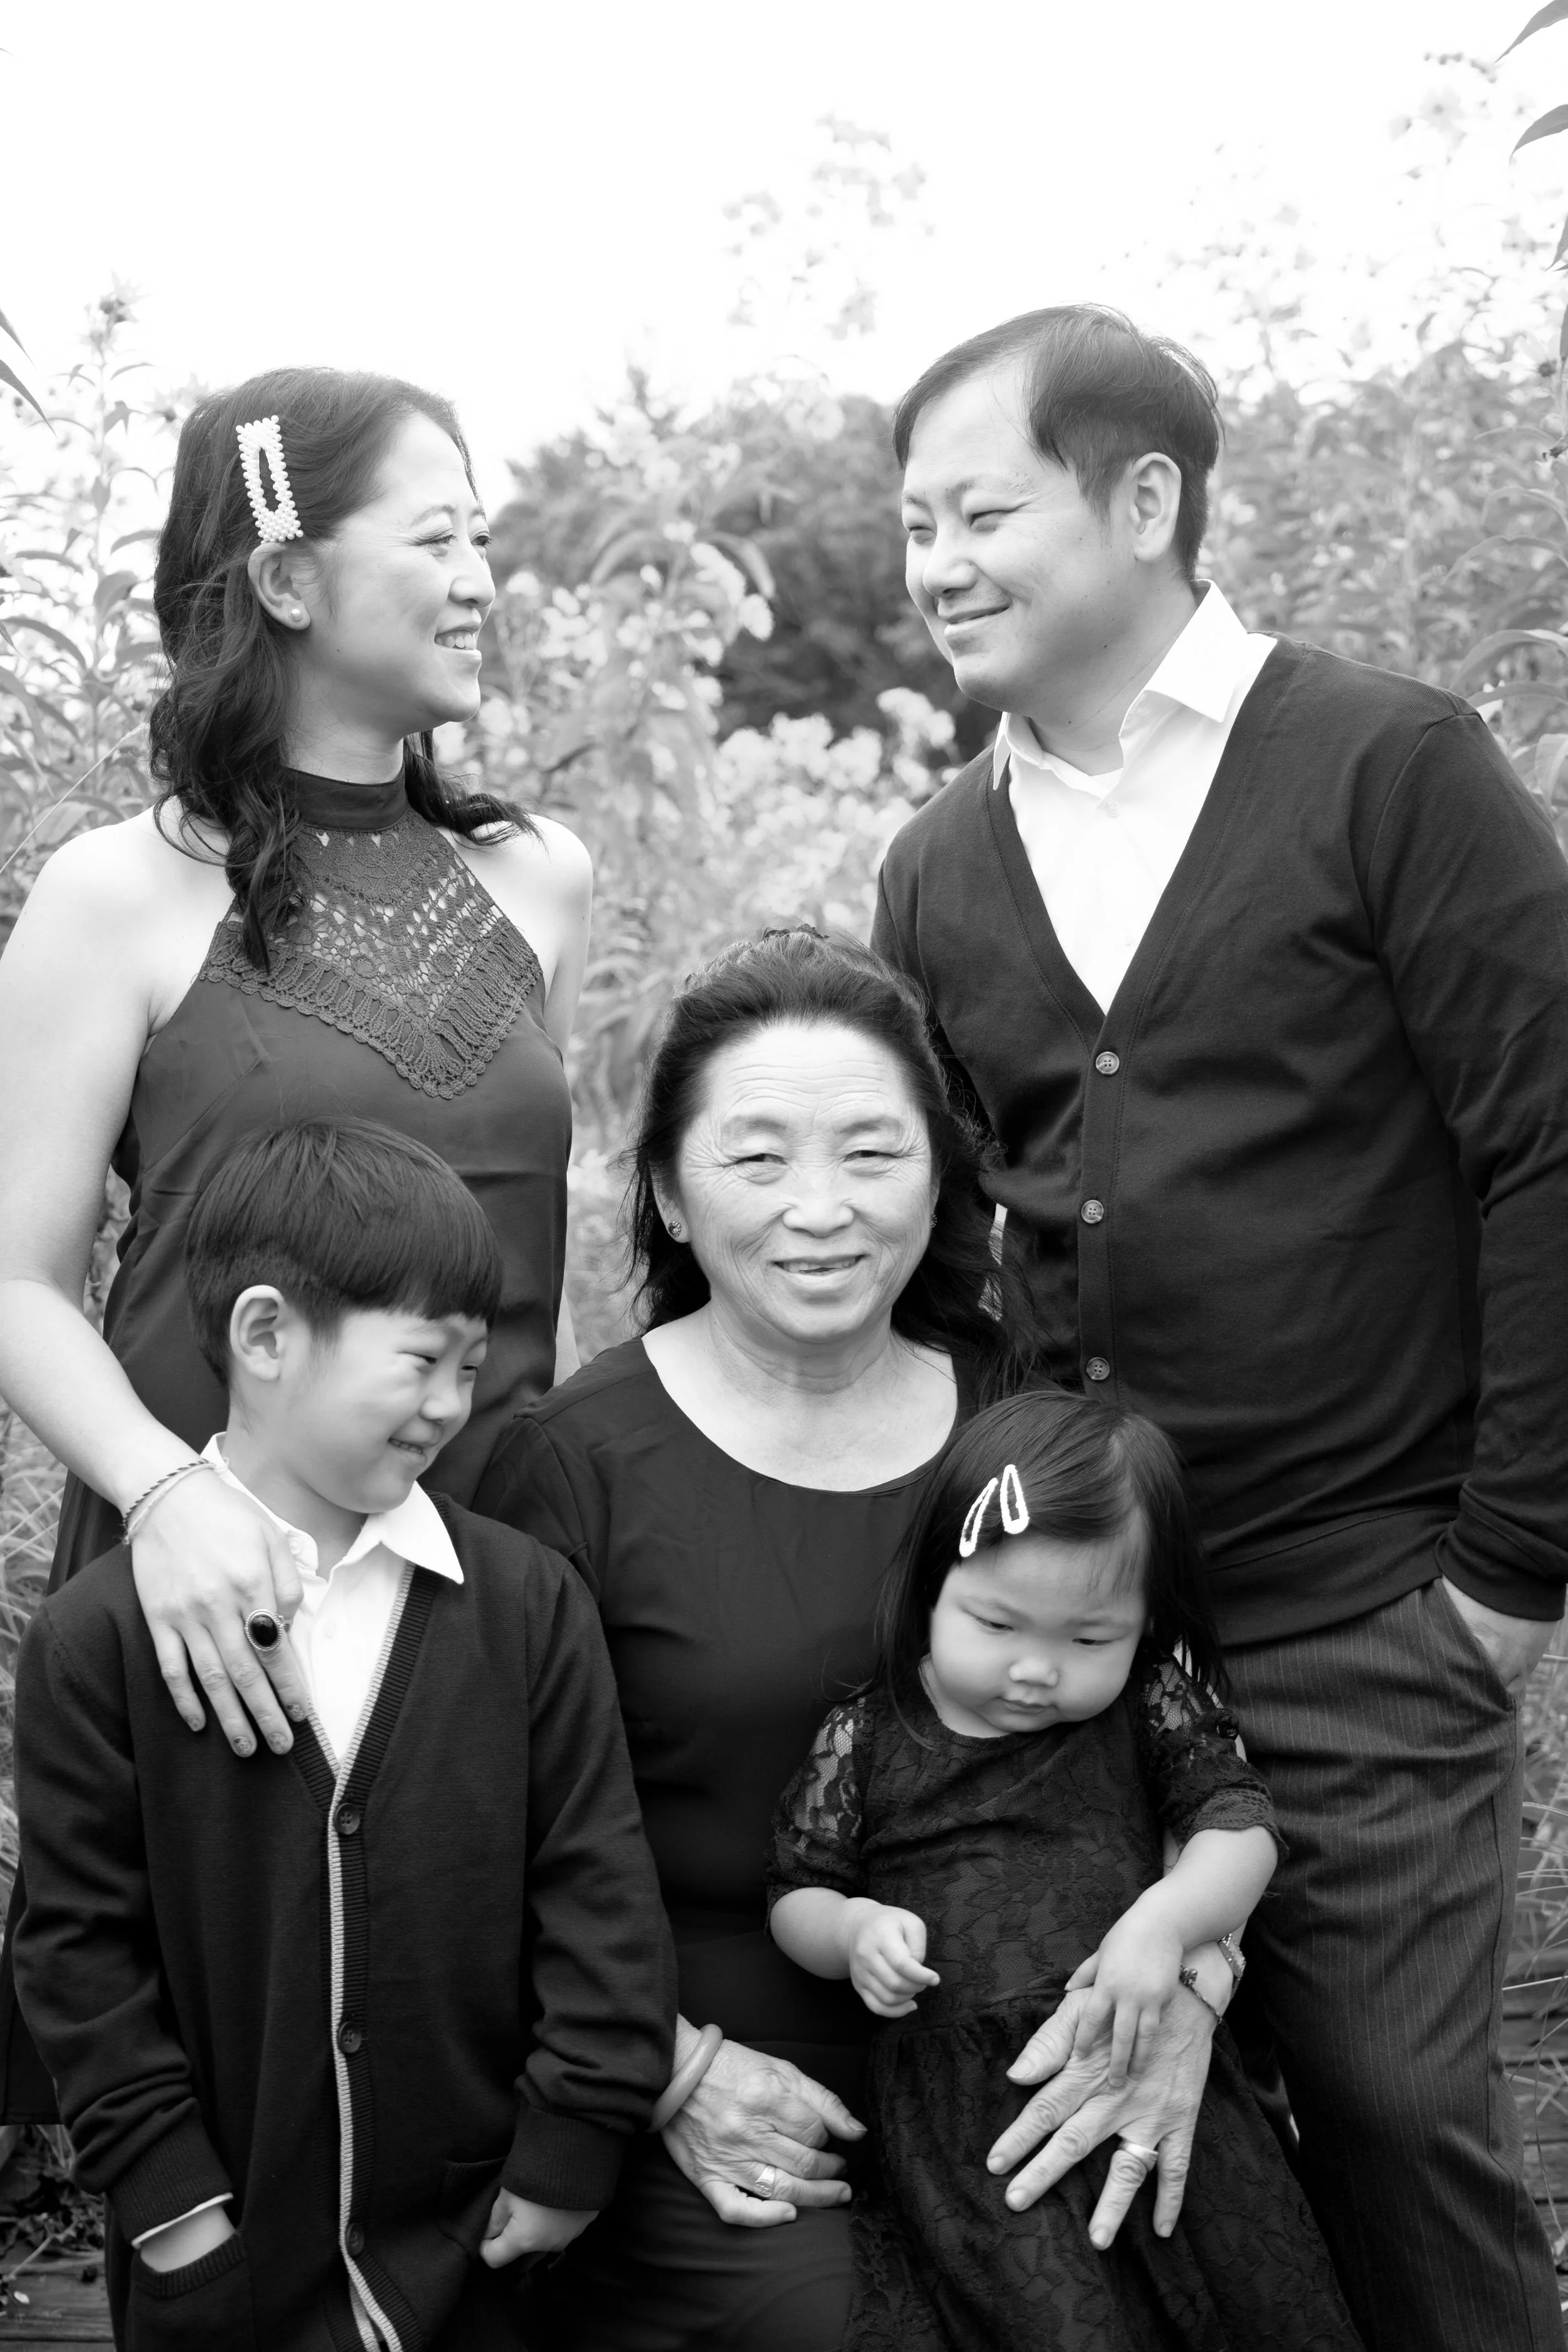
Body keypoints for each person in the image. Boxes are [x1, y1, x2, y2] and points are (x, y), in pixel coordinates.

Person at [868, 302, 1568, 2348]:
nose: (935, 566)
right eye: (912, 525)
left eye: (980, 509)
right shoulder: (937, 869)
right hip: (1079, 1645)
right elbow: (964, 1254)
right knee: (1110, 2138)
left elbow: (1549, 1148)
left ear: (1148, 498)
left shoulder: (1384, 768)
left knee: (1391, 2103)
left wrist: (1504, 1581)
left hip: (1372, 1601)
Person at [476, 928, 1240, 2349]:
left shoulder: (1029, 1415)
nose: (817, 1209)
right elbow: (480, 1840)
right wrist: (663, 2076)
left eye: (870, 1155)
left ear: (940, 1176)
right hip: (734, 2076)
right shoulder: (570, 1467)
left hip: (1047, 2045)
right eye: (756, 1159)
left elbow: (1180, 1738)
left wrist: (1192, 1984)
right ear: (665, 1192)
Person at [0, 364, 593, 2114]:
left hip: (484, 1580)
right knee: (220, 2121)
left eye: (488, 533)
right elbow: (20, 1278)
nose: (485, 573)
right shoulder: (119, 890)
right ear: (283, 576)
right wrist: (167, 1496)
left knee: (479, 2114)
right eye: (438, 534)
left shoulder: (537, 878)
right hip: (216, 1601)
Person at [10, 1120, 674, 2352]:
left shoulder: (523, 1607)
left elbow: (597, 1890)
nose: (449, 1407)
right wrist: (175, 2216)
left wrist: (573, 2143)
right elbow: (77, 1950)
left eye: (470, 1370)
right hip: (221, 2267)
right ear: (265, 1337)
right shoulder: (98, 1643)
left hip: (485, 2255)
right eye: (421, 1361)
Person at [769, 1389, 1360, 2352]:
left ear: (1143, 1625)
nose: (1036, 1669)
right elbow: (798, 1884)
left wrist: (1164, 1923)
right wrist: (850, 1934)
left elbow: (1240, 1824)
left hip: (1151, 2074)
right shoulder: (869, 1734)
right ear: (932, 1587)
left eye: (1089, 1638)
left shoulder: (1140, 1709)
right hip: (970, 2131)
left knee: (1249, 2302)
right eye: (997, 1625)